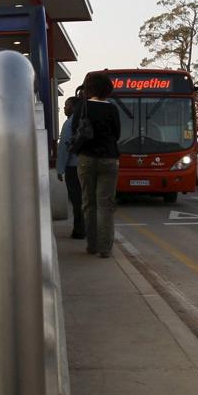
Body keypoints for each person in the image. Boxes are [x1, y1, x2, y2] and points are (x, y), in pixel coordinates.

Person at [76, 72, 121, 258]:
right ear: (107, 89)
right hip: (109, 159)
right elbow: (116, 135)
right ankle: (105, 248)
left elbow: (74, 132)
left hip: (86, 159)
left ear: (88, 87)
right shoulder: (112, 109)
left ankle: (91, 245)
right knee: (106, 204)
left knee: (89, 203)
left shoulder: (82, 107)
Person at [55, 95, 85, 239]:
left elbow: (64, 148)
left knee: (76, 200)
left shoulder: (69, 123)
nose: (64, 108)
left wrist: (60, 169)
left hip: (73, 167)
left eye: (67, 105)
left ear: (73, 107)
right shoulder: (85, 121)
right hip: (87, 165)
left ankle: (79, 230)